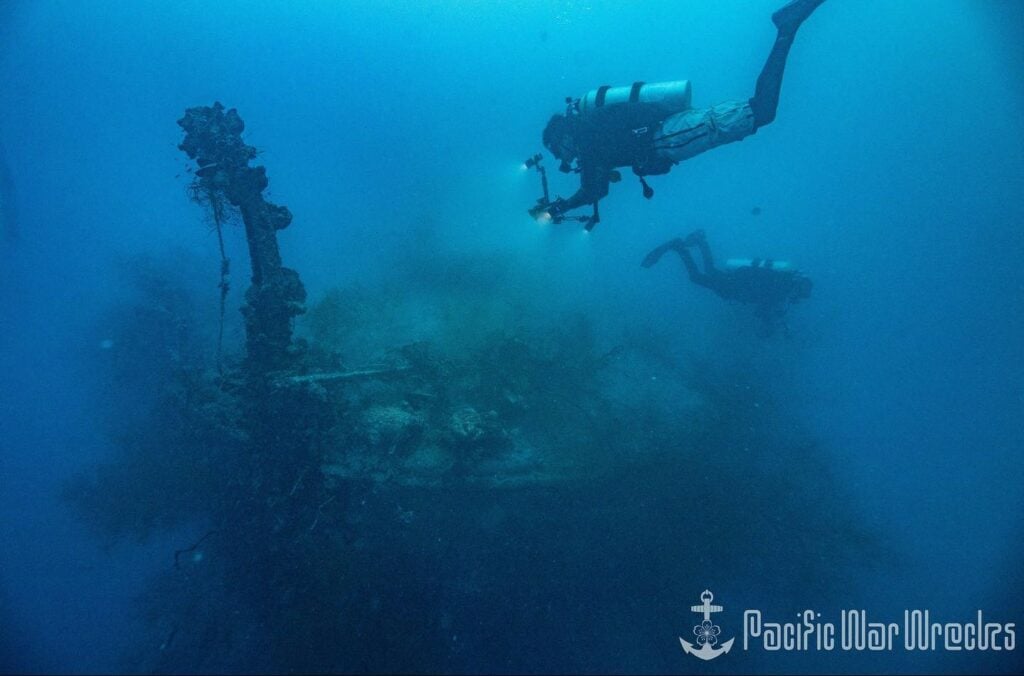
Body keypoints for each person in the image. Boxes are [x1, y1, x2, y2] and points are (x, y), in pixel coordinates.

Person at [530, 0, 827, 227]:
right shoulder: (590, 137)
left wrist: (562, 207)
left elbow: (592, 188)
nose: (561, 158)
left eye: (557, 150)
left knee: (760, 112)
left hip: (671, 137)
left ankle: (786, 29)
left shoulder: (586, 136)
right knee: (760, 113)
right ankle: (787, 30)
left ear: (562, 136)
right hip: (673, 134)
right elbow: (598, 189)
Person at [641, 230, 813, 336]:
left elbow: (763, 298)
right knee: (697, 277)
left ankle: (700, 241)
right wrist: (769, 323)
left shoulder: (781, 284)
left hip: (738, 280)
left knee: (709, 270)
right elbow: (762, 310)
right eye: (799, 296)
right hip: (735, 287)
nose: (796, 299)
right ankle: (680, 247)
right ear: (798, 290)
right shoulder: (781, 291)